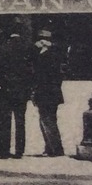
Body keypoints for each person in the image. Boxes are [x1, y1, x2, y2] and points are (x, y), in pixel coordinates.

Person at [30, 28, 66, 157]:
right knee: (48, 120)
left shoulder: (48, 55)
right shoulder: (50, 54)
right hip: (51, 93)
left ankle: (56, 149)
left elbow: (40, 75)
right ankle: (50, 147)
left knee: (47, 120)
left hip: (46, 93)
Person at [0, 28, 32, 158]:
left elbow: (0, 70)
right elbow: (30, 71)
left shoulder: (4, 49)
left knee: (6, 121)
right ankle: (20, 150)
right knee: (20, 122)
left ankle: (5, 149)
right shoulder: (26, 49)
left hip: (7, 91)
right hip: (22, 91)